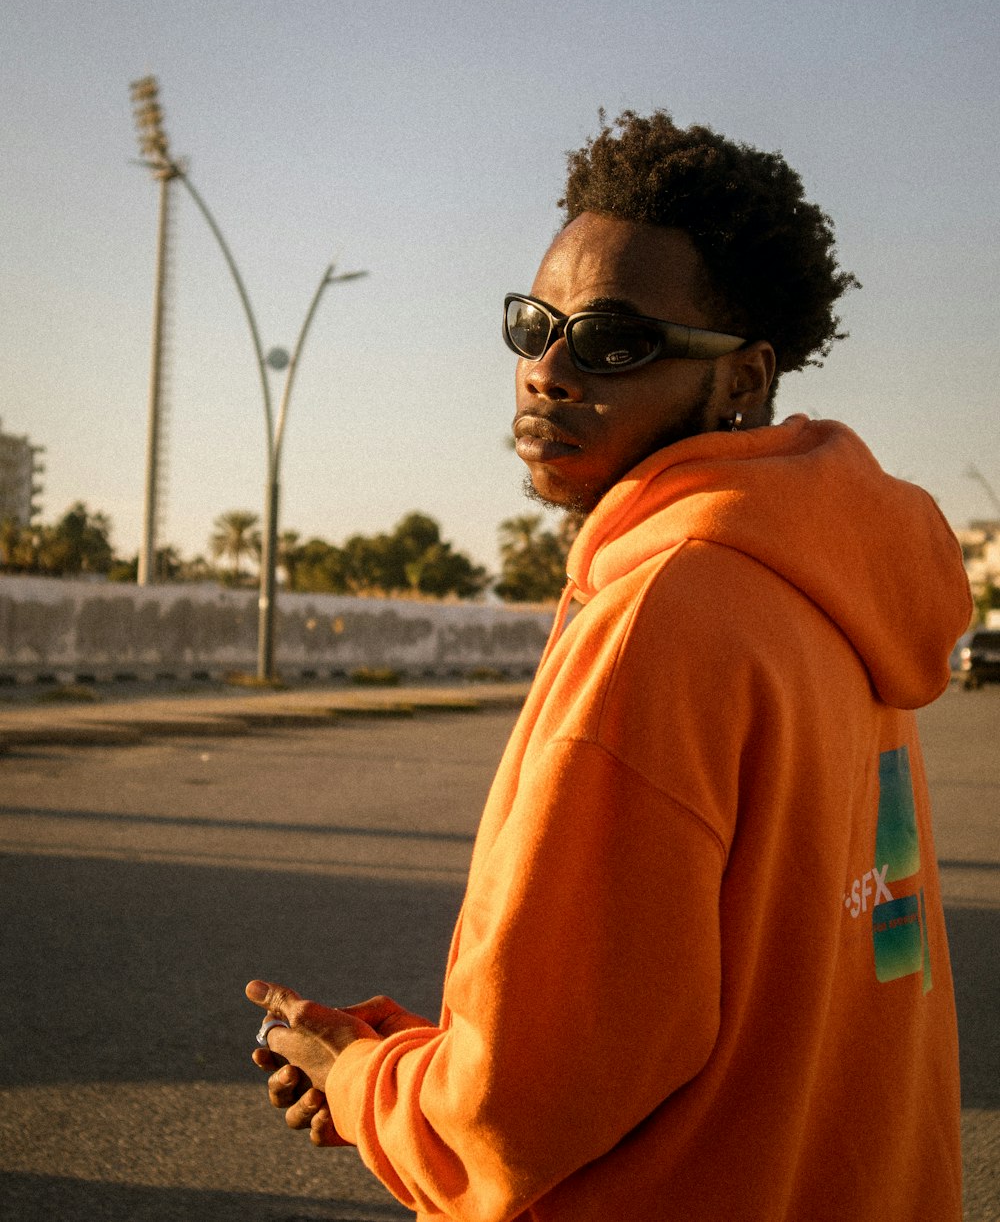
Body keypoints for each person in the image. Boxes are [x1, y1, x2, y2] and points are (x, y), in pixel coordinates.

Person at [246, 109, 970, 1221]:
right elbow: (754, 995)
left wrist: (358, 1083)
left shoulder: (665, 614)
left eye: (611, 340)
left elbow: (521, 1107)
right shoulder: (843, 596)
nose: (545, 369)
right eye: (534, 324)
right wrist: (401, 1057)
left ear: (741, 379)